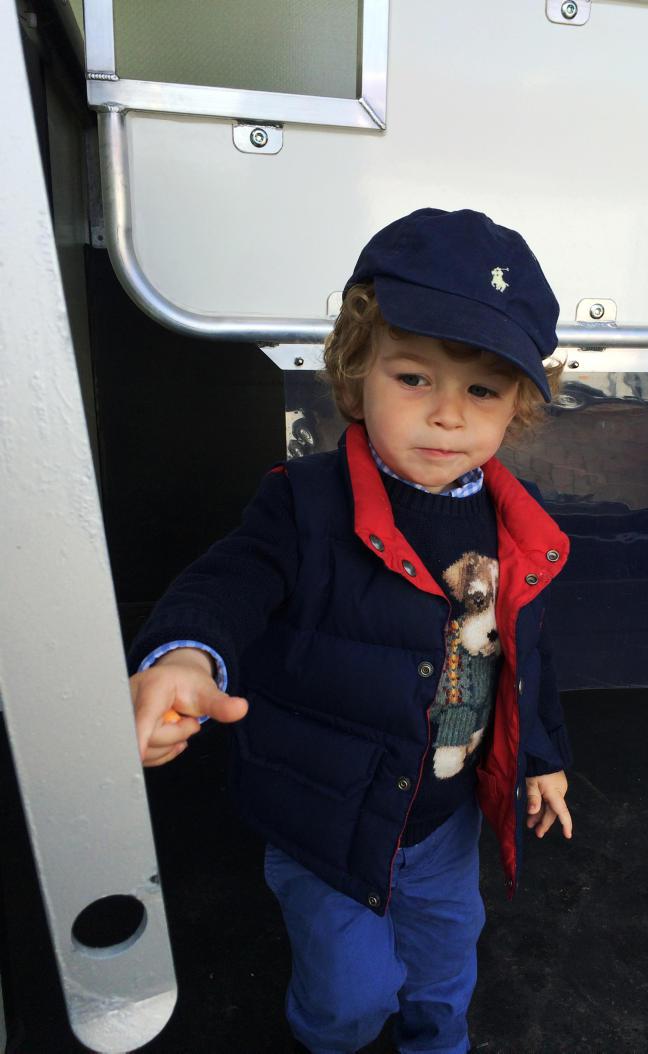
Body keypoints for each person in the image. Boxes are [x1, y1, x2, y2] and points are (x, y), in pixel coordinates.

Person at [129, 207, 573, 1054]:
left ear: (516, 405)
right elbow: (229, 580)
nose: (448, 415)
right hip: (325, 821)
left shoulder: (517, 526)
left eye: (482, 390)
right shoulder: (301, 503)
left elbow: (525, 660)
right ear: (357, 366)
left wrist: (544, 758)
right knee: (348, 996)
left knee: (445, 965)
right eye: (414, 378)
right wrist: (185, 655)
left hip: (443, 825)